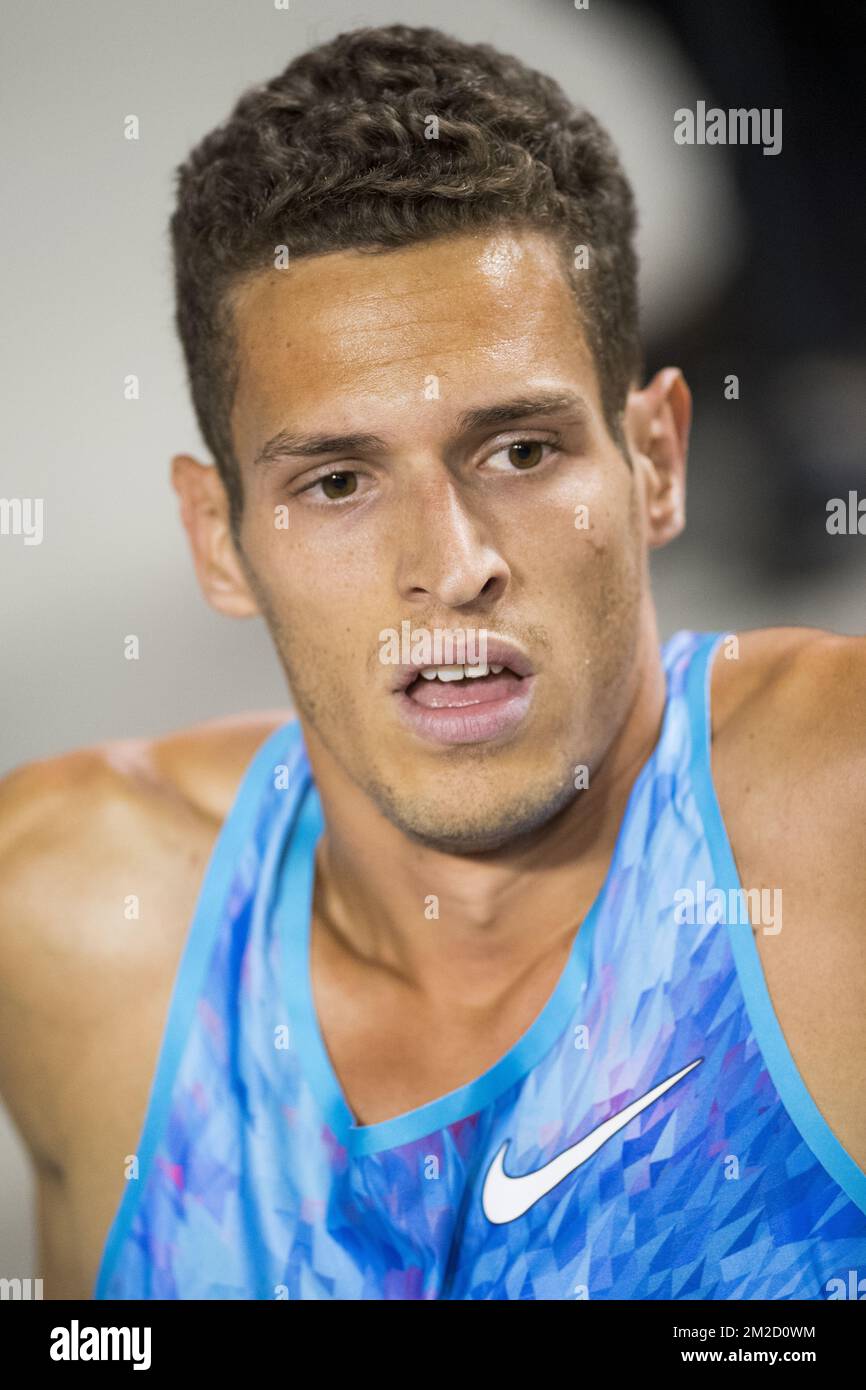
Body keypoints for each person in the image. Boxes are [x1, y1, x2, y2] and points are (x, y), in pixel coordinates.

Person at [1, 23, 864, 1301]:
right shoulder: (72, 917)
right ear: (218, 536)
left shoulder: (834, 825)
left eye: (517, 450)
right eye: (338, 480)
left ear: (656, 463)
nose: (451, 562)